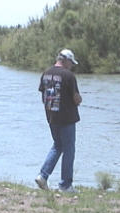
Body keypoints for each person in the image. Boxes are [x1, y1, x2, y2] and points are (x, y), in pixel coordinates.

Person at [35, 49, 82, 193]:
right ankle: (65, 185)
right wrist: (79, 100)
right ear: (65, 60)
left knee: (57, 145)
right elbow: (76, 98)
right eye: (71, 63)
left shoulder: (46, 73)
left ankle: (43, 176)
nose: (71, 66)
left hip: (51, 116)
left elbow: (43, 95)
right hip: (67, 118)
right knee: (69, 149)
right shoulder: (68, 76)